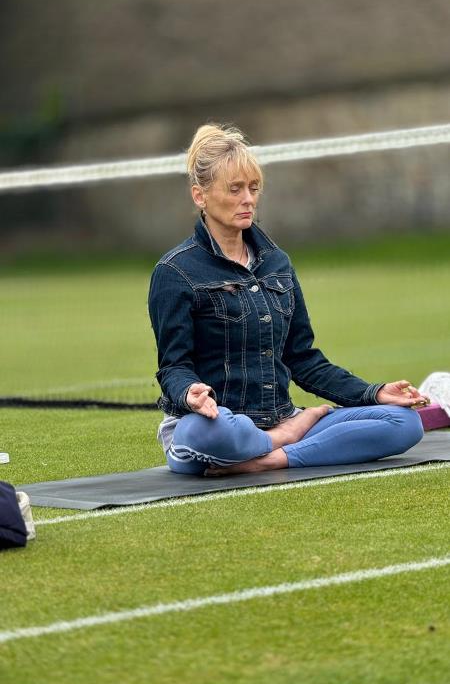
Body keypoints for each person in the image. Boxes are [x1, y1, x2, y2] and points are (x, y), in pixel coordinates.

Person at [148, 123, 426, 477]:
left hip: (278, 416)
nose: (248, 199)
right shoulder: (175, 272)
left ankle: (273, 456)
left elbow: (302, 358)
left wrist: (374, 392)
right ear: (200, 196)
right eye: (235, 189)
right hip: (217, 425)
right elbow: (173, 368)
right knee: (202, 434)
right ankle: (286, 439)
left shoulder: (277, 263)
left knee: (404, 423)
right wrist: (189, 394)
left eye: (253, 188)